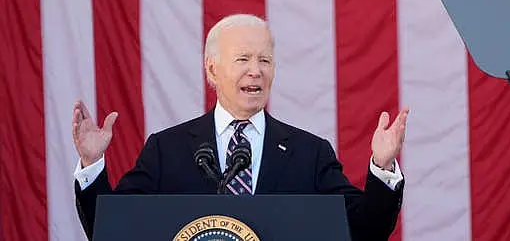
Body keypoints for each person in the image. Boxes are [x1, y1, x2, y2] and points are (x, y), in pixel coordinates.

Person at [72, 14, 409, 241]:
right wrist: (91, 165)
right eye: (243, 59)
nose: (255, 70)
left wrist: (381, 167)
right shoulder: (167, 149)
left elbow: (363, 231)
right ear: (212, 69)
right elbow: (113, 230)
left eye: (264, 60)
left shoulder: (309, 153)